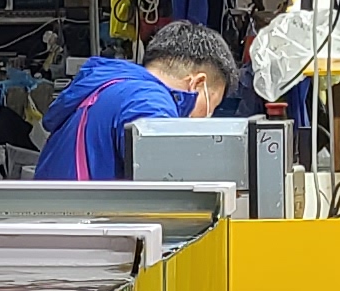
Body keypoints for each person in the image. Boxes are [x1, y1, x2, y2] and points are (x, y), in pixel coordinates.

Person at [32, 18, 238, 180]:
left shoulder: (108, 89)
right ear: (198, 83)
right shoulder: (150, 102)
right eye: (211, 105)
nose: (207, 116)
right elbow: (164, 188)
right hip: (84, 220)